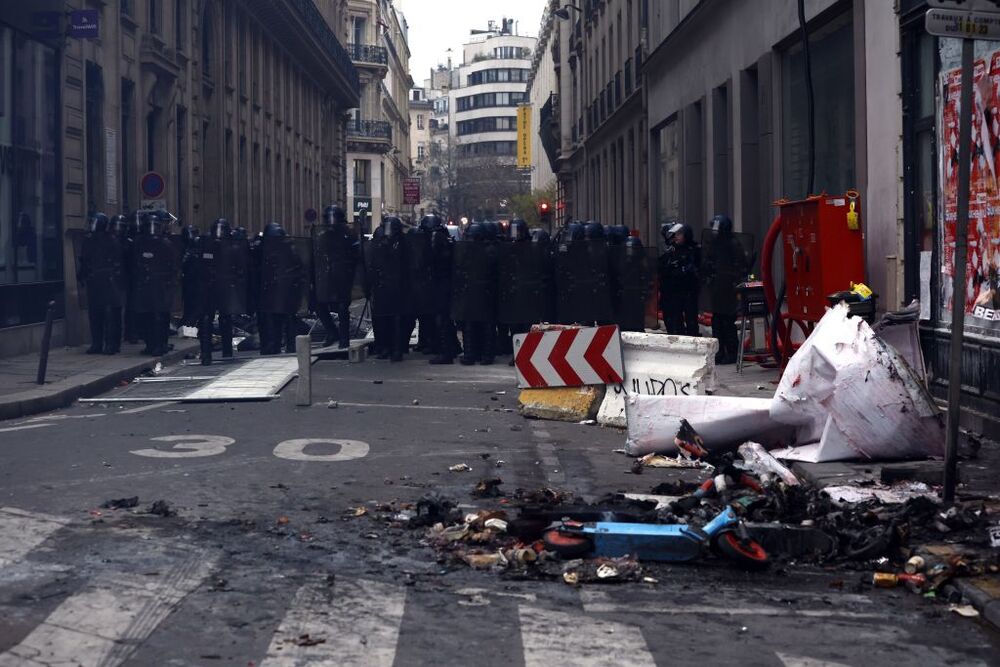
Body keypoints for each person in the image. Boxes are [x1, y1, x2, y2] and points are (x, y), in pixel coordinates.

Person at [703, 214, 749, 364]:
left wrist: (735, 283)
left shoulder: (733, 244)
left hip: (729, 288)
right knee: (717, 321)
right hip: (717, 287)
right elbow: (709, 261)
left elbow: (741, 266)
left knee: (728, 322)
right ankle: (719, 351)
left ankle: (732, 352)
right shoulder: (714, 244)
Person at [78, 212, 126, 354]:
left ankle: (111, 344)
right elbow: (84, 260)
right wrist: (82, 274)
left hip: (109, 281)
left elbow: (119, 261)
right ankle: (97, 343)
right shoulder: (88, 240)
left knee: (110, 314)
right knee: (95, 314)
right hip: (95, 281)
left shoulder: (111, 240)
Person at [312, 205, 358, 349]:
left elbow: (357, 255)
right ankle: (332, 332)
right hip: (328, 277)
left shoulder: (349, 235)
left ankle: (344, 340)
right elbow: (317, 256)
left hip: (344, 276)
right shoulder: (322, 236)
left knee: (343, 307)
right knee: (318, 304)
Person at [658, 221, 700, 336]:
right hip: (674, 293)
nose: (676, 237)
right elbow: (662, 269)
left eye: (679, 234)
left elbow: (699, 270)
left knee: (691, 321)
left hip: (689, 292)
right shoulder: (671, 251)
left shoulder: (694, 250)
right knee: (676, 322)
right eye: (675, 234)